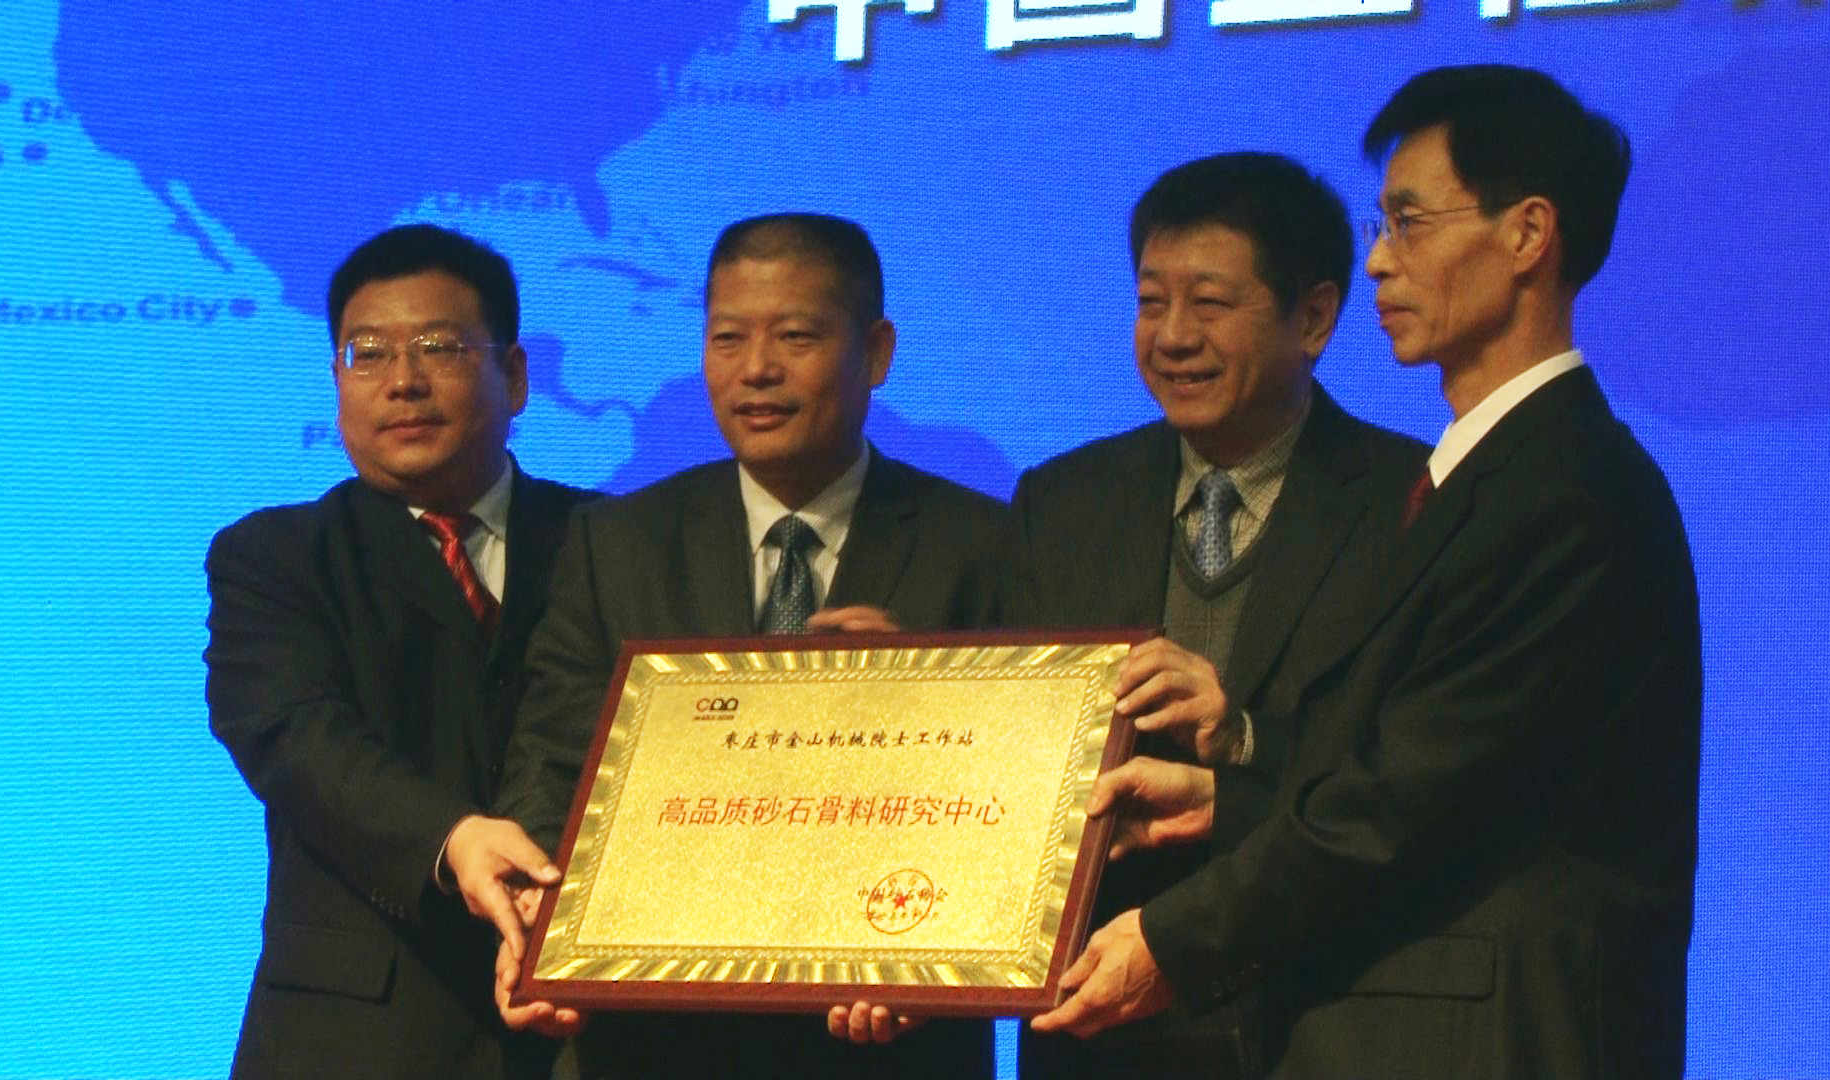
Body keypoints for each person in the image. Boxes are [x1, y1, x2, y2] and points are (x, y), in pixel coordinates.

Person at [1033, 65, 1703, 1079]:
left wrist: (1168, 942)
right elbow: (1403, 764)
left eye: (1410, 223)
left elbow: (1404, 804)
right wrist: (1223, 797)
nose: (1381, 260)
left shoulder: (1563, 491)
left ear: (1527, 234)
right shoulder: (1483, 478)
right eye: (1381, 226)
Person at [492, 213, 1004, 1077]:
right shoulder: (616, 543)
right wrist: (541, 924)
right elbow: (553, 760)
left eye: (796, 337)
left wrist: (929, 692)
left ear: (876, 352)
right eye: (728, 338)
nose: (757, 369)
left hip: (886, 1040)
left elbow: (1021, 794)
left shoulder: (985, 544)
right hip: (652, 1043)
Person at [970, 152, 1421, 1079]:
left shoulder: (1410, 504)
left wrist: (1245, 739)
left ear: (1314, 317)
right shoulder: (1061, 502)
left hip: (1327, 1020)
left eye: (1210, 303)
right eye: (1151, 302)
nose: (1173, 336)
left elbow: (1415, 781)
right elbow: (1008, 767)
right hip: (1101, 1031)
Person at [204, 224, 595, 1079]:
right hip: (355, 1037)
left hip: (585, 1030)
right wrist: (451, 838)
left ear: (515, 376)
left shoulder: (610, 541)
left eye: (440, 348)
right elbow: (298, 739)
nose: (403, 381)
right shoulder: (275, 557)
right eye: (368, 354)